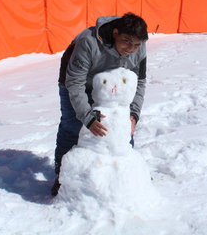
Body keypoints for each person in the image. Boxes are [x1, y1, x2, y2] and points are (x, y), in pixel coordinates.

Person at [51, 12, 148, 196]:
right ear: (115, 33)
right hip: (78, 81)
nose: (131, 48)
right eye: (127, 41)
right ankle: (62, 176)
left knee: (122, 125)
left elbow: (139, 82)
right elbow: (75, 82)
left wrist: (133, 115)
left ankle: (127, 174)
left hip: (112, 85)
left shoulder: (139, 48)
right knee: (72, 125)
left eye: (136, 44)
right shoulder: (89, 42)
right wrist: (87, 117)